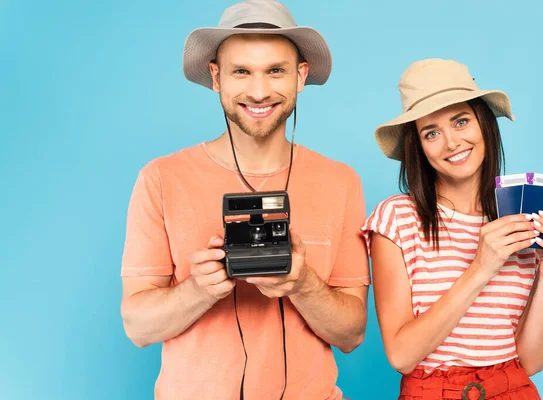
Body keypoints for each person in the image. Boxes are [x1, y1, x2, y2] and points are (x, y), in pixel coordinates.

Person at [119, 1, 370, 399]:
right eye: (241, 71)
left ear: (300, 76)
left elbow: (352, 333)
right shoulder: (161, 178)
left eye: (275, 70)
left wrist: (301, 283)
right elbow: (137, 327)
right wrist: (199, 289)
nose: (258, 91)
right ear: (216, 77)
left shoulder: (341, 181)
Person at [361, 59, 543, 400]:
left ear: (484, 124)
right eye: (432, 132)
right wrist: (481, 267)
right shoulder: (396, 218)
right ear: (418, 147)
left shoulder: (517, 218)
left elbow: (531, 362)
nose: (451, 142)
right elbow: (401, 355)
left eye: (461, 121)